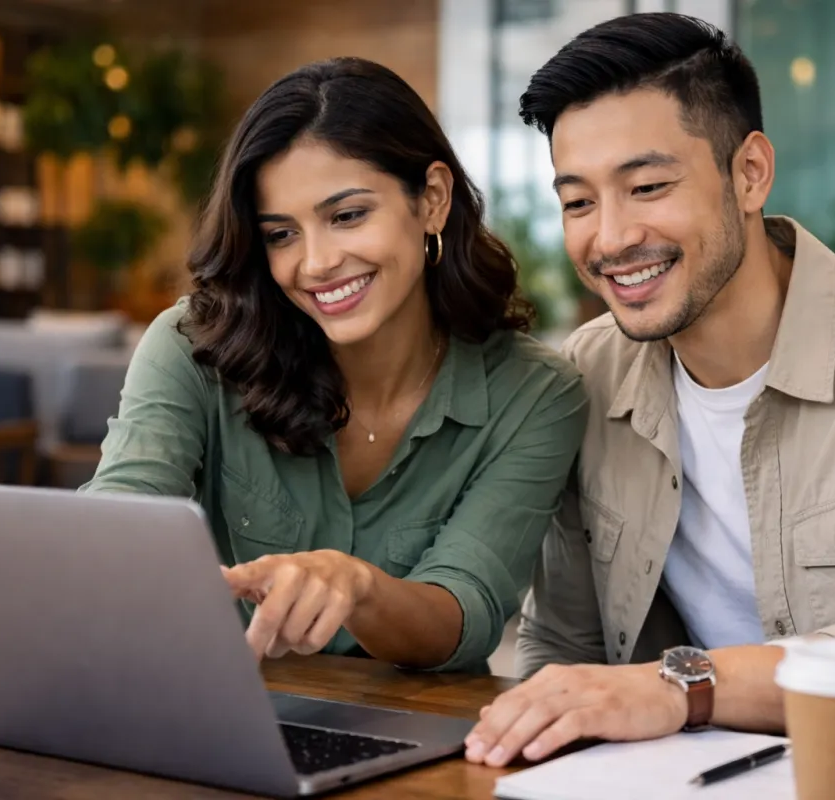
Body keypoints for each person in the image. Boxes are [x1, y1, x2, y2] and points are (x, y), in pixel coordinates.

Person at [464, 12, 835, 767]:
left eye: (647, 186)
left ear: (750, 174)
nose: (608, 239)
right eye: (578, 201)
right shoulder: (589, 373)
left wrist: (684, 686)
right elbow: (565, 649)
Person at [83, 57, 587, 674]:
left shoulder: (536, 394)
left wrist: (360, 587)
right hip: (213, 710)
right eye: (280, 234)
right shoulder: (195, 345)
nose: (316, 263)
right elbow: (118, 518)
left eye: (347, 216)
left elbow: (467, 609)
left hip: (420, 735)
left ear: (432, 200)